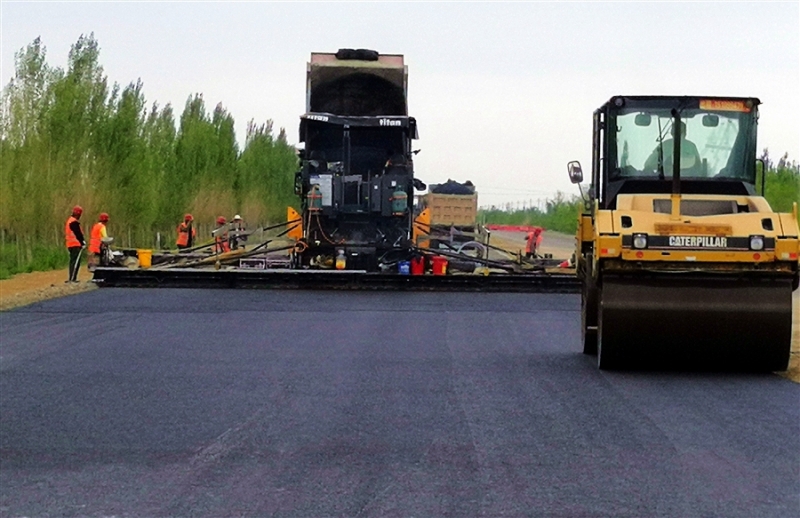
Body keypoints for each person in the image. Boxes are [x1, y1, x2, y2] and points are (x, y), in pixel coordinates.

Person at [65, 205, 86, 283]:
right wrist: (82, 242)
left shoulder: (69, 220)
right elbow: (78, 233)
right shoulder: (74, 222)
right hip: (75, 244)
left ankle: (72, 277)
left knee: (72, 261)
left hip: (70, 244)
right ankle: (73, 278)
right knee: (76, 262)